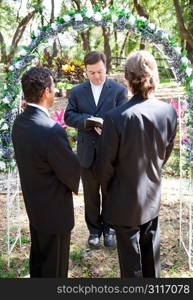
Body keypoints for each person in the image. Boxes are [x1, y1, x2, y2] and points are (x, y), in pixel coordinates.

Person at [97, 50, 177, 277]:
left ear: (127, 79)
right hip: (151, 191)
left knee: (131, 263)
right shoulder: (168, 111)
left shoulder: (115, 117)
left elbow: (105, 165)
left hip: (123, 197)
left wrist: (107, 190)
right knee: (152, 253)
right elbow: (165, 153)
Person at [12, 67, 80, 278]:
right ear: (45, 93)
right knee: (55, 269)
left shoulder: (19, 123)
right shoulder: (51, 130)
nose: (56, 89)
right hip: (55, 211)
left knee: (39, 260)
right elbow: (70, 171)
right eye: (53, 86)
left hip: (35, 206)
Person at [64, 51, 128, 249]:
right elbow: (68, 116)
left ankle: (109, 229)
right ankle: (94, 231)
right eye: (91, 73)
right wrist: (86, 122)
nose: (96, 76)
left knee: (109, 192)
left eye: (100, 71)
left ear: (105, 67)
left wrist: (108, 127)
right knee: (91, 195)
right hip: (87, 152)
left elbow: (125, 116)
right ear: (85, 71)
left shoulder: (119, 90)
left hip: (111, 151)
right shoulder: (76, 92)